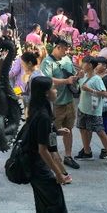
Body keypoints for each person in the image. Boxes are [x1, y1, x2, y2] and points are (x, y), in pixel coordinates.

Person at [18, 76, 69, 213]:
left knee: (45, 210)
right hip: (39, 168)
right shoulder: (42, 115)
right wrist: (58, 174)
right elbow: (43, 150)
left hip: (35, 167)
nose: (56, 91)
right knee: (58, 211)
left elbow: (44, 136)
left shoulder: (40, 112)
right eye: (54, 88)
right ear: (46, 93)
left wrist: (56, 132)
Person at [40, 39, 80, 170]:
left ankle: (68, 156)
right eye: (64, 49)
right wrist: (66, 81)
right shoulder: (47, 62)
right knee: (52, 132)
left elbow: (72, 75)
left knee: (68, 130)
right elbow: (47, 80)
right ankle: (50, 157)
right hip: (55, 103)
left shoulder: (67, 59)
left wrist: (77, 77)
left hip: (69, 101)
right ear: (57, 47)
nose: (66, 52)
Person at [76, 56, 107, 168]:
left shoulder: (97, 80)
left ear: (89, 65)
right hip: (82, 108)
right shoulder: (83, 76)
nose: (81, 65)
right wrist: (77, 78)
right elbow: (77, 89)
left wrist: (90, 90)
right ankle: (87, 152)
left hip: (94, 111)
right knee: (83, 129)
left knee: (100, 132)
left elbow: (104, 93)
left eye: (83, 63)